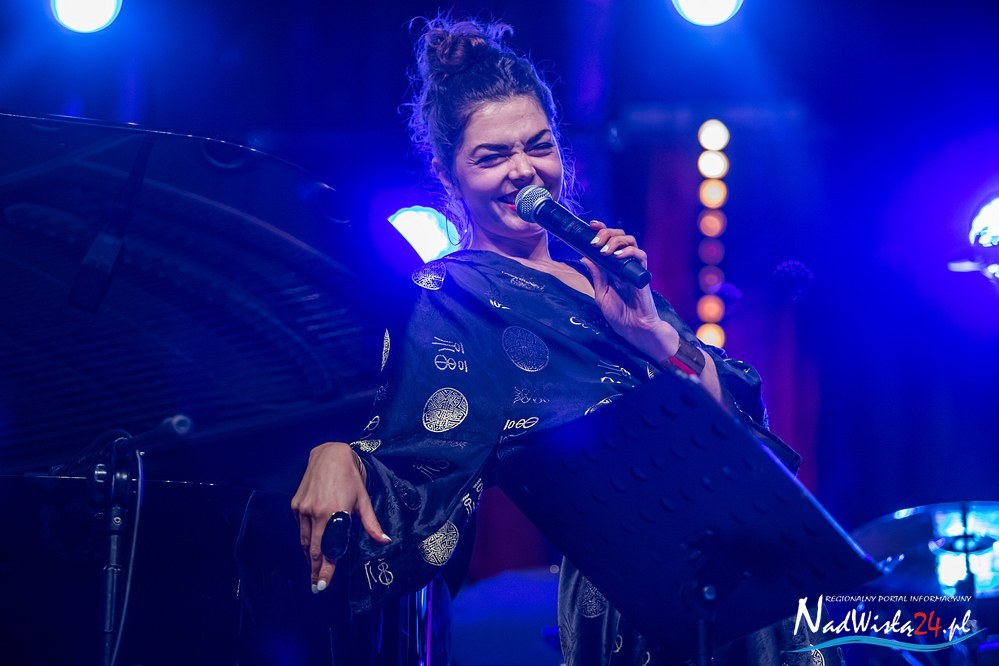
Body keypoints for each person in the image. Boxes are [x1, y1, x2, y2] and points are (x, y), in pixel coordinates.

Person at [290, 15, 829, 665]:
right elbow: (415, 464)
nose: (523, 171)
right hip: (640, 599)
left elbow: (732, 424)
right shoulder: (454, 294)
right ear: (448, 173)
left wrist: (652, 333)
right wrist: (336, 453)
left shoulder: (609, 279)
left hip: (751, 572)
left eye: (538, 146)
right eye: (492, 156)